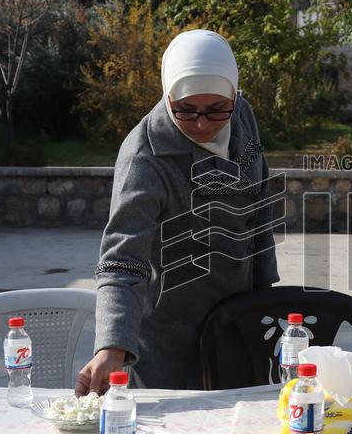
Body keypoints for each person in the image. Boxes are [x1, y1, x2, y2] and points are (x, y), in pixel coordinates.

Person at [77, 30, 279, 394]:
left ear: (234, 94)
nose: (202, 123)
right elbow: (123, 258)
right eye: (186, 110)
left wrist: (265, 292)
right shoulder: (146, 157)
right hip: (171, 331)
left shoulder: (242, 117)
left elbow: (259, 194)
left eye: (217, 109)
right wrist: (112, 343)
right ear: (168, 96)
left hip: (239, 317)